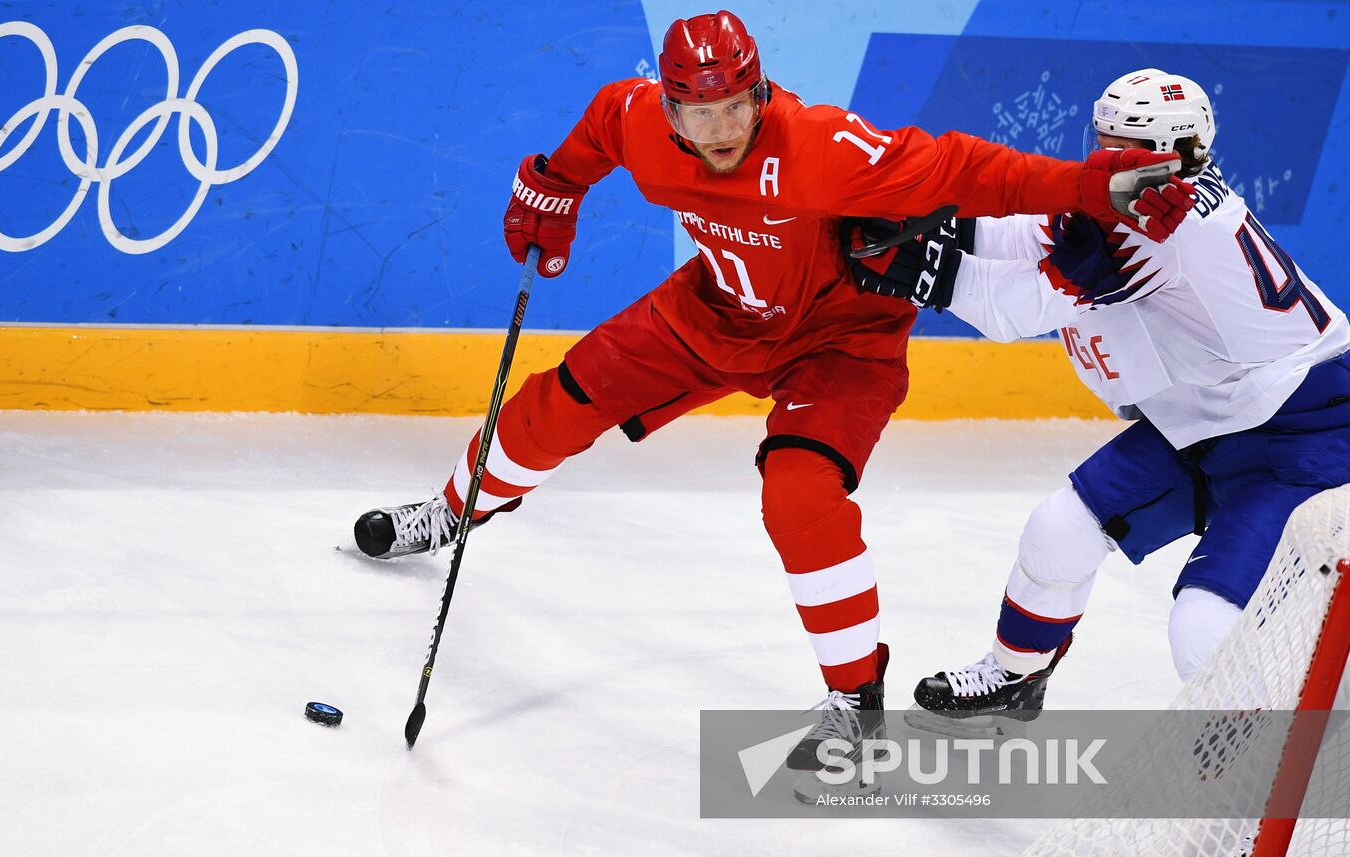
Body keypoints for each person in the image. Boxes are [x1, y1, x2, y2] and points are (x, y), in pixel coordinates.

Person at [353, 16, 1193, 770]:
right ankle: (454, 509)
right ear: (670, 108)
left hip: (843, 339)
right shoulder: (638, 119)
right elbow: (600, 130)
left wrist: (1082, 189)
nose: (719, 132)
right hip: (716, 308)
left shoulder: (821, 147)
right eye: (698, 114)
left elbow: (964, 167)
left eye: (735, 110)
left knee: (799, 493)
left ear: (760, 93)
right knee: (552, 403)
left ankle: (855, 700)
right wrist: (555, 185)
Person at [843, 68, 1350, 730]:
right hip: (1218, 416)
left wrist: (929, 270)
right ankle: (1015, 674)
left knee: (1203, 627)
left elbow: (1014, 310)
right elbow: (1037, 231)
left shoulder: (1160, 228)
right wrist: (922, 224)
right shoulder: (1160, 199)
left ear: (1167, 154)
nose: (1100, 157)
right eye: (1101, 138)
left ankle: (1272, 780)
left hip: (1305, 439)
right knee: (1060, 528)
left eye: (1118, 145)